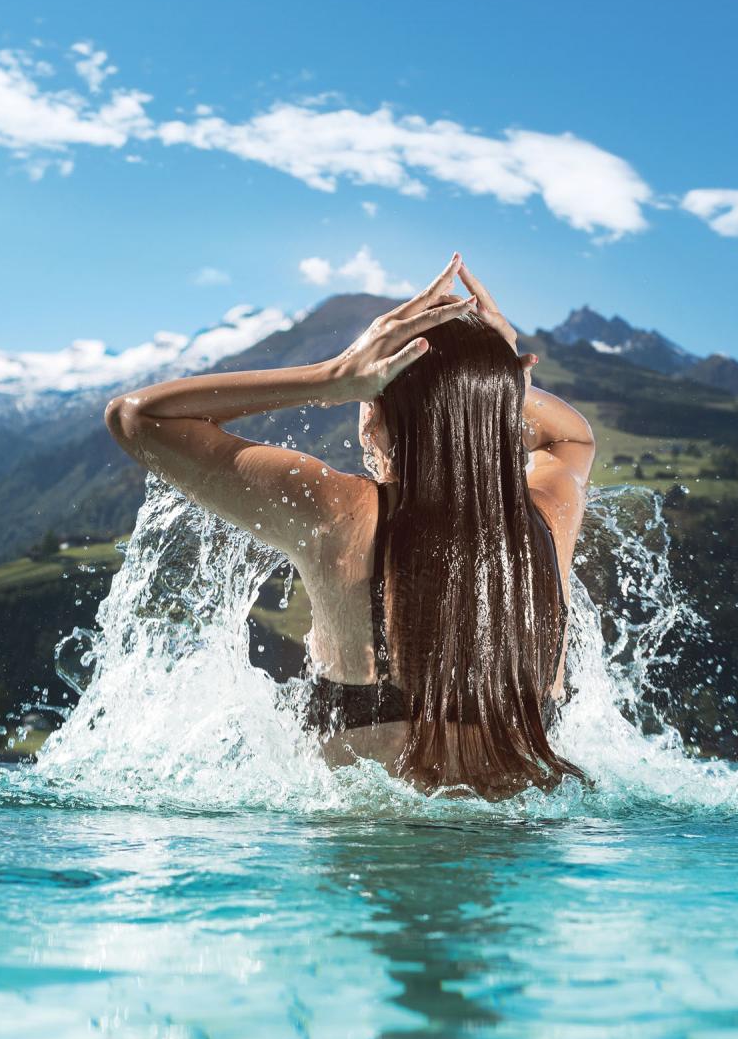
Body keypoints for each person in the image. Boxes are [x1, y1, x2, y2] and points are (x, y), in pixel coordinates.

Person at [104, 253, 596, 800]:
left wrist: (331, 376)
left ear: (373, 410)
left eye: (365, 395)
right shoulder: (549, 521)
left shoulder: (340, 511)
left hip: (370, 852)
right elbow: (571, 439)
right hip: (523, 861)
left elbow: (138, 418)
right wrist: (495, 378)